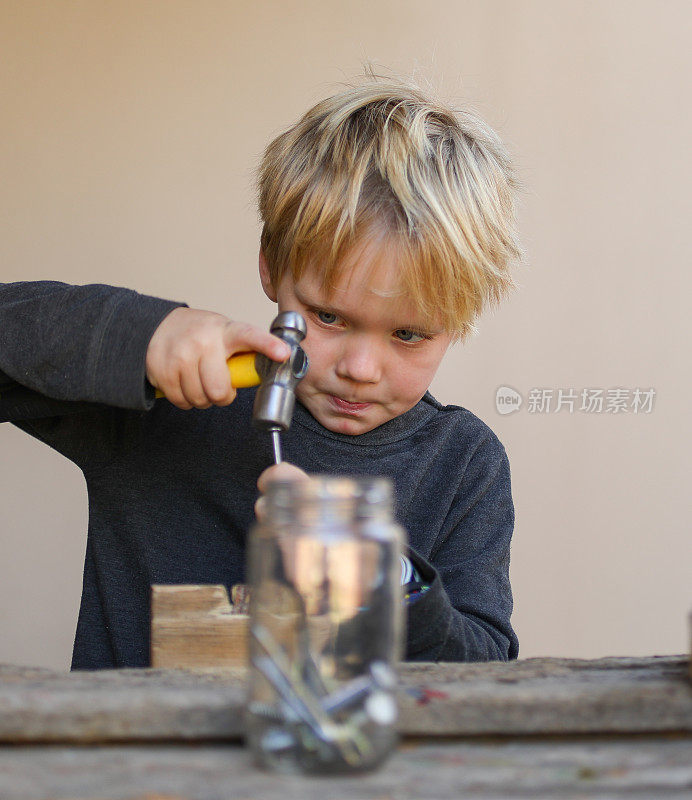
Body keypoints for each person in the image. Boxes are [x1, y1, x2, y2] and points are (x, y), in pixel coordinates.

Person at [0, 78, 522, 669]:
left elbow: (485, 666)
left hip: (349, 761)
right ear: (272, 269)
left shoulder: (463, 463)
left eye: (409, 334)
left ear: (460, 320)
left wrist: (385, 579)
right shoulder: (169, 398)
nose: (359, 369)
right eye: (327, 317)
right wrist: (136, 337)